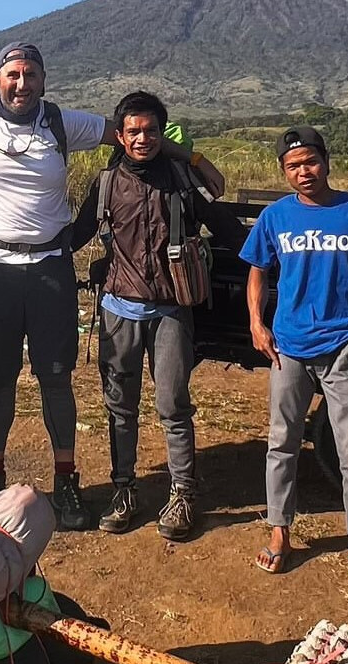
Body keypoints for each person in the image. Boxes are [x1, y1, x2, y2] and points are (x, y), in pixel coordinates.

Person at [0, 42, 217, 530]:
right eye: (13, 74)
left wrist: (195, 158)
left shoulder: (63, 122)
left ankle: (66, 480)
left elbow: (132, 134)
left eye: (31, 75)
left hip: (49, 267)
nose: (22, 83)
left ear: (44, 80)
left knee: (55, 377)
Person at [72, 92, 248, 540]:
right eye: (133, 131)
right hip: (118, 310)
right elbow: (77, 234)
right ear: (119, 136)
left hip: (171, 311)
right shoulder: (106, 184)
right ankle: (123, 490)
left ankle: (183, 493)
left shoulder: (184, 180)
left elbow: (226, 226)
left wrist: (275, 260)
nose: (142, 138)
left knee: (173, 405)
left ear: (162, 134)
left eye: (151, 130)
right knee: (120, 407)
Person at [241, 125, 348, 586]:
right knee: (281, 444)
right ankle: (279, 531)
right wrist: (256, 323)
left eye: (310, 161)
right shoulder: (276, 216)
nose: (303, 171)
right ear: (284, 171)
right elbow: (257, 270)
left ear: (326, 162)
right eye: (293, 166)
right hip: (287, 349)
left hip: (341, 349)